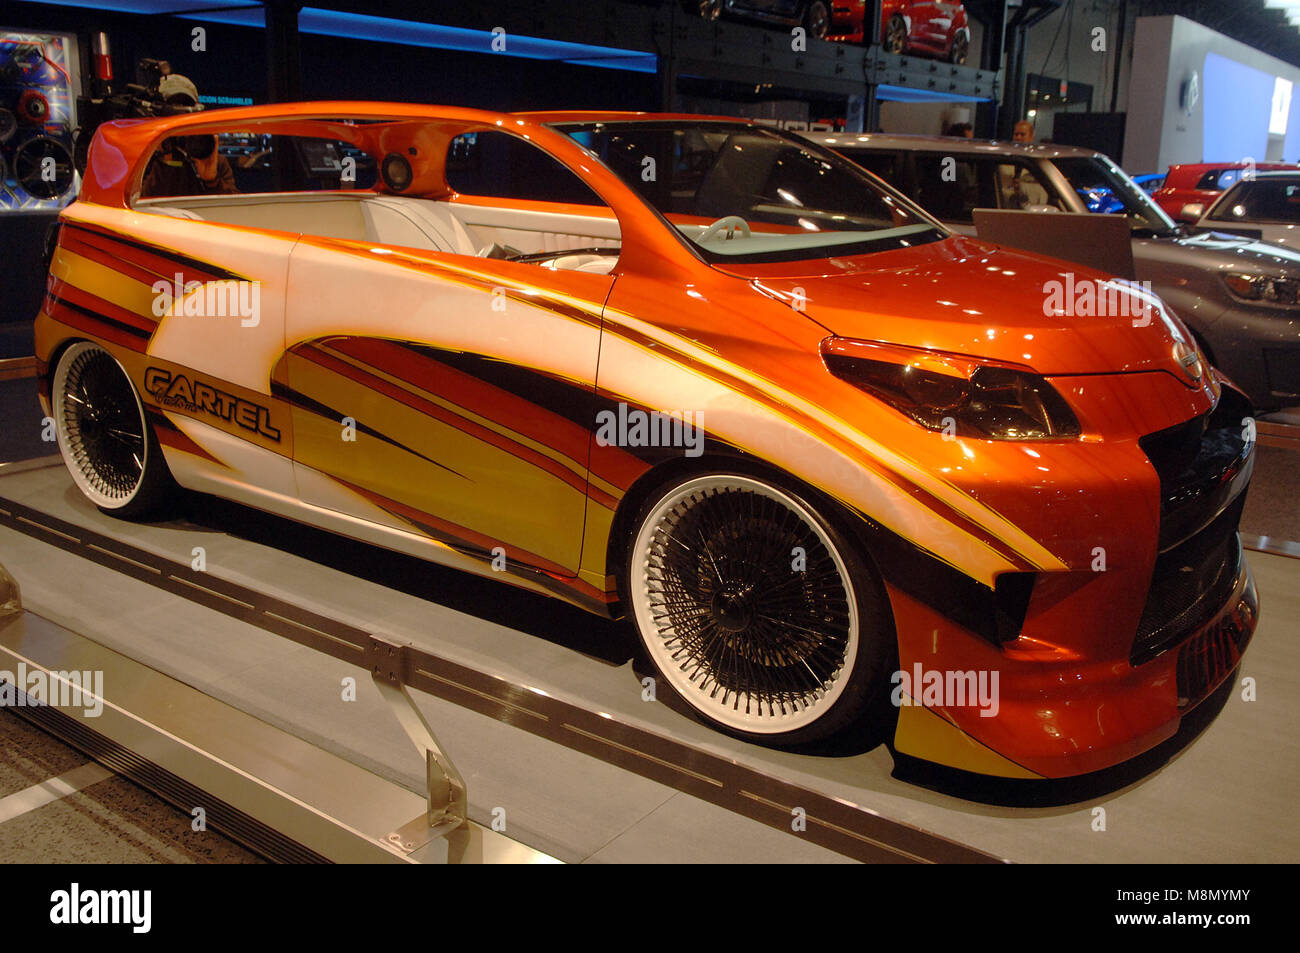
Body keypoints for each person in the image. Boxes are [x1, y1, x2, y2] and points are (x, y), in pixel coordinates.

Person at [140, 74, 237, 197]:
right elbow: (136, 208)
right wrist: (165, 163)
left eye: (186, 111)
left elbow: (233, 209)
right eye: (171, 111)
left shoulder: (209, 158)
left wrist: (212, 182)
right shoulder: (142, 161)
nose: (179, 119)